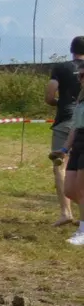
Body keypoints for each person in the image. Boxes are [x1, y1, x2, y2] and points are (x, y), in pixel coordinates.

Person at [47, 38, 84, 227]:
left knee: (60, 166)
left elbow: (50, 94)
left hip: (65, 120)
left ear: (71, 50)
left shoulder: (61, 68)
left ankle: (66, 212)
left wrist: (58, 103)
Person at [65, 98, 84, 246]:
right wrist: (65, 148)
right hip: (78, 143)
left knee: (81, 189)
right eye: (80, 76)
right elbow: (74, 127)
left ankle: (83, 232)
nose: (81, 79)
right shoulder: (80, 101)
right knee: (70, 190)